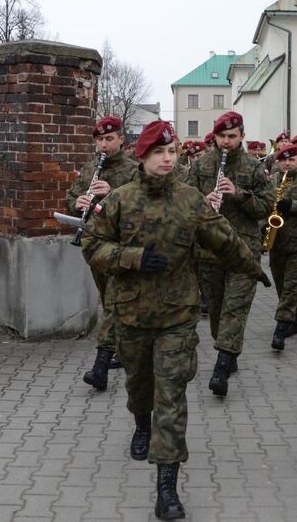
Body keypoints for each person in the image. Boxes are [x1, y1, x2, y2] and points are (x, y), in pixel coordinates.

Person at [81, 120, 264, 520]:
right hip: (131, 314)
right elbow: (92, 246)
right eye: (158, 153)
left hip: (177, 316)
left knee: (172, 397)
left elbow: (224, 239)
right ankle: (141, 424)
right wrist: (132, 258)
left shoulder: (189, 199)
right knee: (139, 387)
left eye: (171, 152)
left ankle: (167, 487)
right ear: (142, 156)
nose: (167, 159)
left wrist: (253, 269)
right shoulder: (119, 200)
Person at [186, 111, 275, 397]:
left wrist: (239, 194)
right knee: (216, 308)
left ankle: (221, 366)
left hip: (243, 251)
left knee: (235, 308)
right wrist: (203, 201)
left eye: (232, 136)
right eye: (222, 136)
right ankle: (228, 350)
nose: (226, 142)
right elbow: (182, 201)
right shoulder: (201, 165)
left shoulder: (254, 167)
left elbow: (266, 206)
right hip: (209, 250)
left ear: (242, 136)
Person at [67, 115, 140, 391]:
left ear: (121, 139)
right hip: (95, 243)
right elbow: (70, 196)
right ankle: (122, 348)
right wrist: (77, 202)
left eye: (109, 139)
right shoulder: (90, 168)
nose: (104, 145)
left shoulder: (134, 169)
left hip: (122, 244)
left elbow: (141, 204)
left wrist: (113, 191)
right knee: (108, 298)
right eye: (99, 140)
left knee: (115, 299)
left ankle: (106, 358)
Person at [266, 143, 297, 351]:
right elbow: (264, 204)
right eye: (283, 160)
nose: (287, 164)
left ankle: (280, 329)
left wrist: (292, 206)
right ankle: (294, 321)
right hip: (277, 242)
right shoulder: (272, 180)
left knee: (291, 288)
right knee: (281, 286)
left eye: (291, 160)